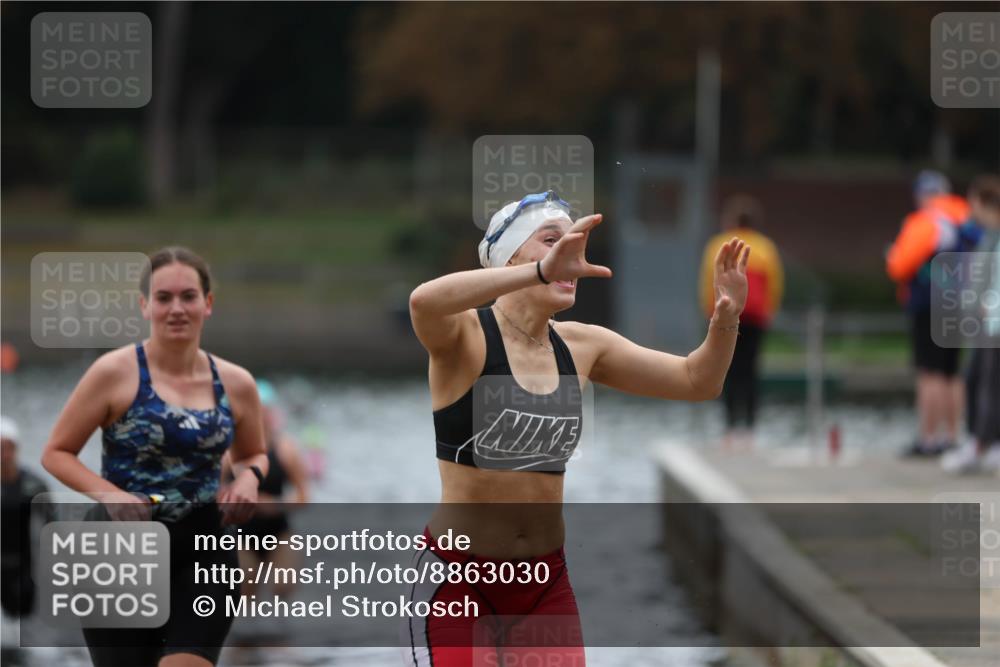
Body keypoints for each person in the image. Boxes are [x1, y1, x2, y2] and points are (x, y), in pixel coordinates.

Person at [406, 190, 749, 665]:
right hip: (459, 581)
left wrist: (726, 320)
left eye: (576, 244)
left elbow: (698, 381)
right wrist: (544, 270)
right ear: (511, 258)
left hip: (545, 586)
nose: (572, 254)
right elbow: (423, 302)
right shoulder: (464, 336)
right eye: (553, 241)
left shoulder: (584, 346)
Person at [41, 246, 268, 667]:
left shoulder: (236, 383)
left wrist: (249, 477)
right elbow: (56, 453)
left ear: (208, 303)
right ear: (145, 305)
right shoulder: (113, 372)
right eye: (163, 297)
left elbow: (253, 451)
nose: (176, 308)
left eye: (188, 296)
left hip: (206, 545)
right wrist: (109, 495)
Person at [887, 170, 971, 456]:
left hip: (928, 304)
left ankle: (928, 438)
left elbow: (899, 265)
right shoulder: (964, 218)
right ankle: (954, 436)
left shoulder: (927, 222)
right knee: (952, 372)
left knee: (929, 372)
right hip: (959, 302)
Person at [699, 195, 783, 444]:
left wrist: (710, 311)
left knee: (727, 370)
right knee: (751, 370)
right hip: (756, 317)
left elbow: (708, 282)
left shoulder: (718, 245)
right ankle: (750, 429)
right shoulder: (766, 248)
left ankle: (729, 429)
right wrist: (770, 310)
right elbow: (775, 284)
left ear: (731, 220)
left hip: (726, 315)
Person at [221, 379, 309, 603]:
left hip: (278, 530)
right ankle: (246, 636)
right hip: (239, 533)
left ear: (271, 414)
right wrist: (235, 497)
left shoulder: (286, 448)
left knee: (284, 586)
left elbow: (303, 496)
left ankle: (276, 634)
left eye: (263, 411)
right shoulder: (228, 451)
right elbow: (212, 491)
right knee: (245, 586)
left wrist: (277, 504)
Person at [941, 175, 1000, 474]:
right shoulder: (987, 236)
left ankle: (981, 444)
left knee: (985, 384)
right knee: (979, 381)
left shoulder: (995, 238)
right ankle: (984, 442)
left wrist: (989, 307)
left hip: (993, 324)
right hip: (986, 322)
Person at [1, 416, 51, 618]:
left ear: (16, 449)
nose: (3, 455)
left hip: (24, 566)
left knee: (24, 616)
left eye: (7, 447)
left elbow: (53, 527)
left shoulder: (34, 486)